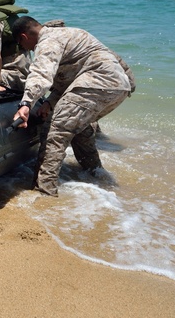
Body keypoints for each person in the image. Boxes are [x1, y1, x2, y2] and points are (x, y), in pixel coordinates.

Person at [10, 16, 133, 197]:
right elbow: (71, 77)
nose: (25, 50)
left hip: (96, 83)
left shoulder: (47, 42)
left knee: (55, 130)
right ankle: (95, 173)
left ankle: (44, 191)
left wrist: (26, 103)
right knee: (78, 127)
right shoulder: (71, 33)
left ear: (24, 36)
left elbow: (41, 73)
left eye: (22, 45)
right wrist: (49, 102)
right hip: (119, 85)